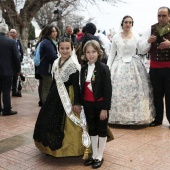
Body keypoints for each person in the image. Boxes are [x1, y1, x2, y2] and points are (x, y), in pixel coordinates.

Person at [33, 37, 87, 157]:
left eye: (67, 48)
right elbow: (54, 81)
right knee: (49, 120)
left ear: (72, 49)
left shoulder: (73, 65)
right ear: (58, 49)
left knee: (63, 123)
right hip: (55, 95)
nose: (64, 51)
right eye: (62, 48)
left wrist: (77, 103)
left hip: (68, 96)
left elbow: (77, 87)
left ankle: (70, 149)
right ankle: (48, 148)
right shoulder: (56, 62)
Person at [107, 15, 155, 125]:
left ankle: (135, 117)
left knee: (136, 91)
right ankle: (118, 117)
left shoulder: (136, 36)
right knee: (118, 91)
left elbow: (142, 50)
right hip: (118, 65)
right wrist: (108, 68)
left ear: (132, 24)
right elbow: (111, 54)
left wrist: (148, 42)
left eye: (130, 22)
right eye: (126, 22)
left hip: (134, 64)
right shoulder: (116, 37)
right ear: (122, 23)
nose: (128, 24)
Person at [80, 40, 112, 169]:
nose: (91, 55)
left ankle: (100, 155)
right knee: (92, 128)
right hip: (88, 104)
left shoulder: (103, 68)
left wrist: (105, 108)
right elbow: (82, 87)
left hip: (100, 105)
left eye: (93, 52)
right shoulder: (83, 69)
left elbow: (108, 90)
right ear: (84, 54)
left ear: (98, 53)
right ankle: (93, 154)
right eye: (88, 52)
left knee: (101, 129)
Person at [139, 7, 170, 127]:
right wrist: (148, 41)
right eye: (159, 15)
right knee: (156, 94)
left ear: (169, 16)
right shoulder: (151, 29)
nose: (161, 18)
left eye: (164, 15)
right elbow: (141, 49)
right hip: (155, 68)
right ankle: (157, 119)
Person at [35, 25, 60, 107]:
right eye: (52, 31)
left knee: (44, 87)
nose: (54, 33)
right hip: (47, 68)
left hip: (44, 68)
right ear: (48, 32)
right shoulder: (48, 42)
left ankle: (44, 104)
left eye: (55, 31)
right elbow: (52, 56)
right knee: (47, 88)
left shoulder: (47, 41)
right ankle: (46, 107)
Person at [0, 23, 20, 116]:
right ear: (7, 32)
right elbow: (16, 57)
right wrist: (18, 69)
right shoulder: (11, 42)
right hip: (7, 70)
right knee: (6, 91)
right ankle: (7, 109)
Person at [9, 28, 24, 97]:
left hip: (16, 63)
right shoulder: (6, 41)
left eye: (13, 32)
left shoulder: (18, 42)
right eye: (11, 32)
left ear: (16, 34)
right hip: (8, 63)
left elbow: (21, 52)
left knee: (15, 77)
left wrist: (20, 60)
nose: (12, 33)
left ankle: (14, 91)